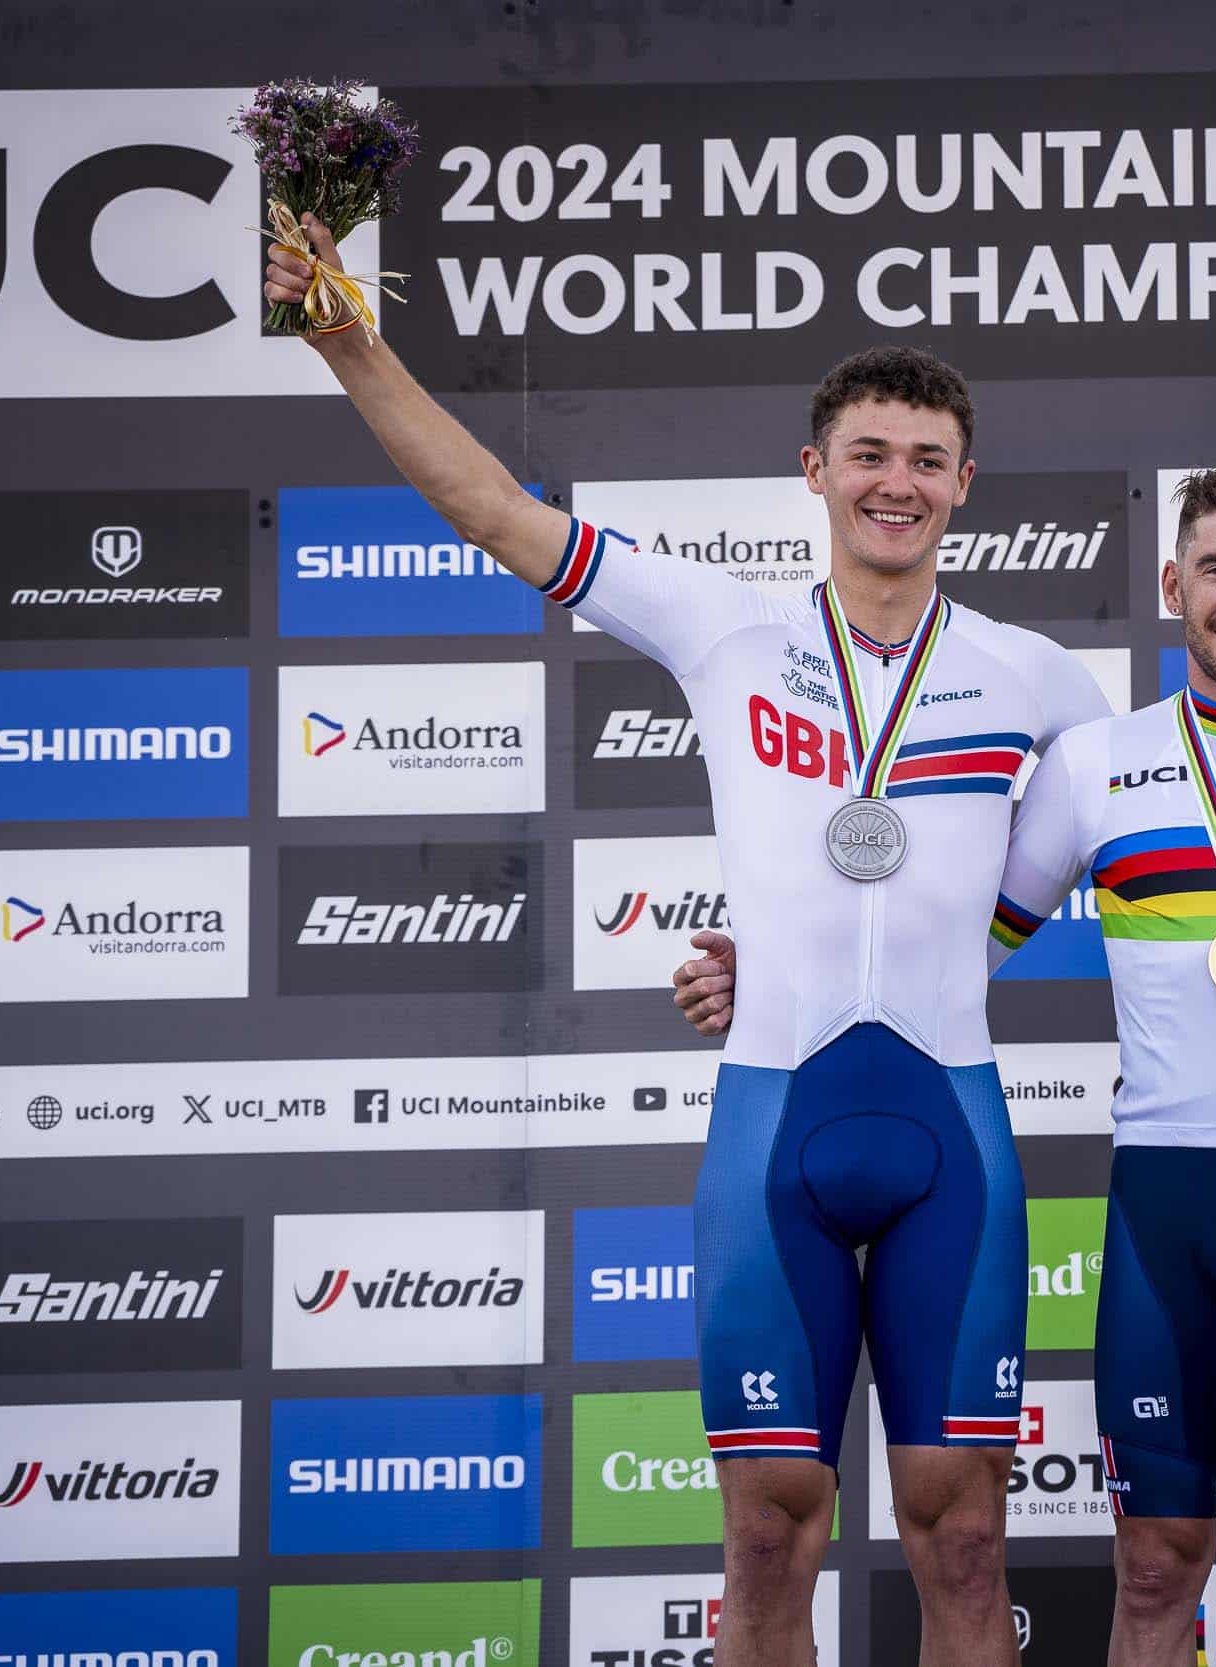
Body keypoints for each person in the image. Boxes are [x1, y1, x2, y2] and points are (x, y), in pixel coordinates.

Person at [264, 220, 1111, 1667]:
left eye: (926, 459)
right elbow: (495, 511)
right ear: (814, 470)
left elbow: (1086, 861)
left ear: (965, 484)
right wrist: (347, 336)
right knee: (767, 1531)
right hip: (774, 1123)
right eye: (868, 452)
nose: (896, 481)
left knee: (964, 1529)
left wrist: (879, 946)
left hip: (950, 1133)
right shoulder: (724, 626)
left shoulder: (1039, 678)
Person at [674, 462, 1216, 1667]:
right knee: (1155, 1562)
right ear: (1171, 583)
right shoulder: (1091, 764)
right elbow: (944, 943)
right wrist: (784, 975)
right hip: (1167, 1198)